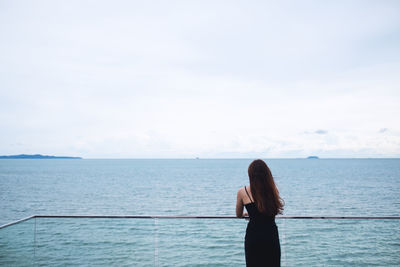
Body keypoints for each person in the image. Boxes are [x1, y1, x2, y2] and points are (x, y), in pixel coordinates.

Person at [236, 159, 284, 267]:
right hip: (270, 235)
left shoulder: (242, 192)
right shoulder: (272, 190)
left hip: (253, 236)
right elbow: (273, 211)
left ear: (250, 175)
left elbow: (238, 214)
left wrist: (247, 214)